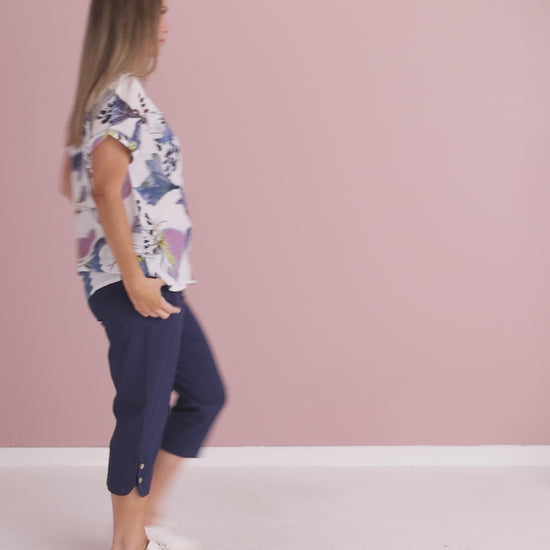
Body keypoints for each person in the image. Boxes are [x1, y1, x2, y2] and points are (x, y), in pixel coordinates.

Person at [60, 1, 227, 549]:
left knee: (204, 393)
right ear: (130, 20)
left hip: (153, 277)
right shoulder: (119, 97)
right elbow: (104, 188)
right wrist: (133, 276)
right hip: (138, 280)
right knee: (144, 409)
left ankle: (145, 517)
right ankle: (129, 542)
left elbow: (71, 183)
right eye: (156, 13)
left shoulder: (107, 96)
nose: (165, 26)